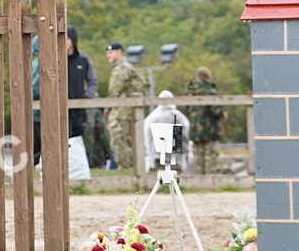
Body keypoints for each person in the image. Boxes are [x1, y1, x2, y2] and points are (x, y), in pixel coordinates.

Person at [31, 26, 97, 164]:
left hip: (79, 108)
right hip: (60, 107)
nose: (66, 42)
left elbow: (92, 81)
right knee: (61, 137)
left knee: (78, 137)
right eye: (63, 38)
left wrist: (86, 98)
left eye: (68, 38)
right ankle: (48, 163)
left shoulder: (84, 59)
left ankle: (80, 165)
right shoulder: (56, 59)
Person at [105, 42, 148, 170]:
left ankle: (125, 168)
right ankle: (132, 169)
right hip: (129, 111)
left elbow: (114, 91)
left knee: (120, 141)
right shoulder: (128, 67)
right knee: (128, 141)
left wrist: (107, 108)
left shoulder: (121, 69)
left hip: (122, 112)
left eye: (111, 52)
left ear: (119, 52)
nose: (108, 56)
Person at [187, 66, 227, 174]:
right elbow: (217, 111)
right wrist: (223, 115)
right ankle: (209, 183)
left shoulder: (190, 91)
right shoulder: (210, 91)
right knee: (210, 158)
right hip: (210, 130)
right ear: (207, 76)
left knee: (198, 159)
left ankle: (198, 183)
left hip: (195, 130)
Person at [143, 90, 193, 171]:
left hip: (157, 157)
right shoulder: (179, 117)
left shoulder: (152, 117)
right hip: (176, 156)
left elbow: (146, 137)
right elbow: (186, 135)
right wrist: (187, 150)